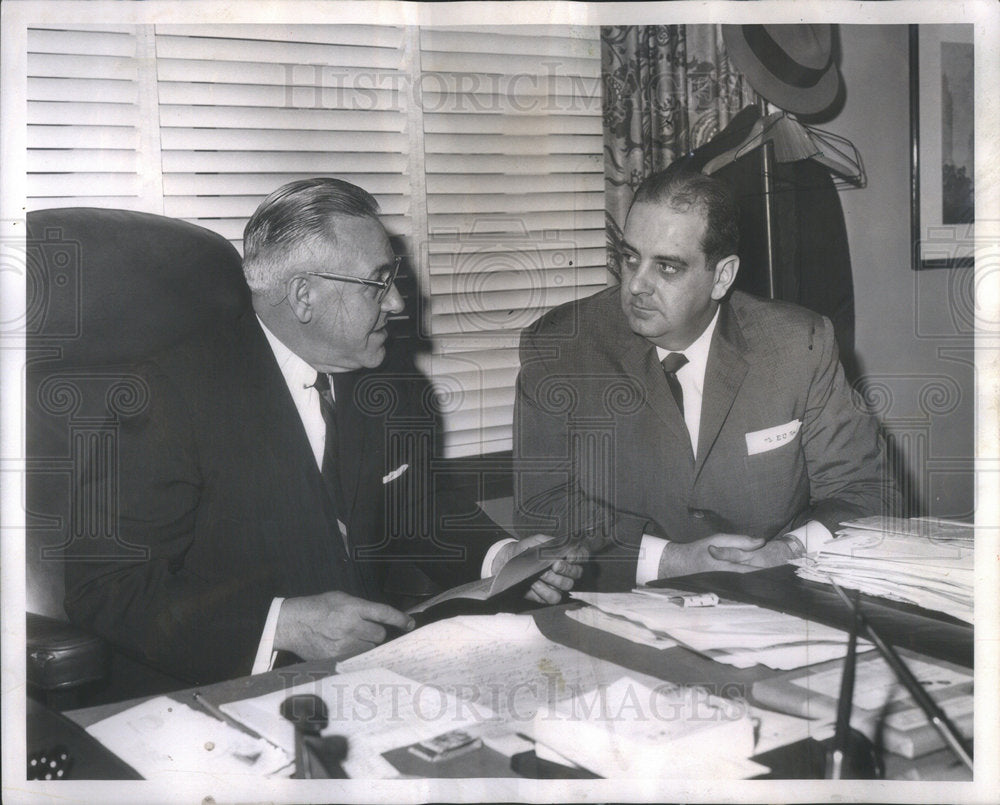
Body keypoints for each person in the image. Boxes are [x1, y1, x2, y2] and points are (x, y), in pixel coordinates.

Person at [63, 178, 584, 688]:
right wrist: (283, 624)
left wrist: (502, 558)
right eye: (377, 282)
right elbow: (108, 588)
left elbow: (419, 508)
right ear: (303, 296)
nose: (399, 304)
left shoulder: (389, 382)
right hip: (217, 689)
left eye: (394, 277)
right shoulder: (166, 396)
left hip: (361, 677)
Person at [513, 164, 894, 591]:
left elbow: (867, 491)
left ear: (722, 276)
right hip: (620, 600)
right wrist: (669, 561)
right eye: (630, 258)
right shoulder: (561, 349)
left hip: (773, 596)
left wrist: (788, 550)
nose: (636, 285)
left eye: (667, 268)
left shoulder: (798, 346)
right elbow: (542, 507)